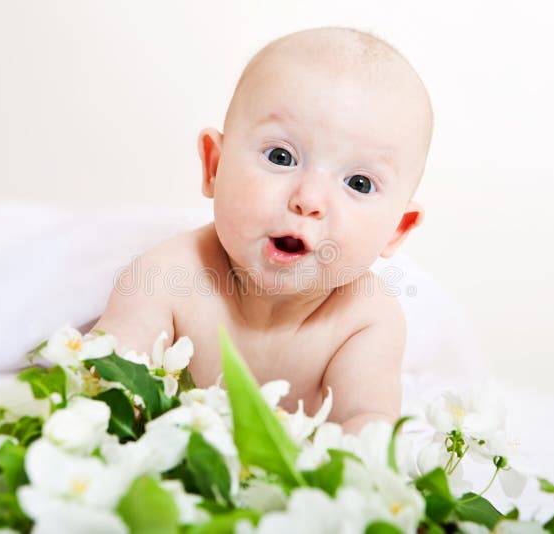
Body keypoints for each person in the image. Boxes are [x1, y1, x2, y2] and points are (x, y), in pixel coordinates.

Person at [93, 26, 433, 435]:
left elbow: (369, 432)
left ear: (397, 230)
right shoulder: (164, 278)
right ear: (214, 167)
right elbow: (102, 385)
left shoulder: (365, 321)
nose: (309, 200)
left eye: (358, 183)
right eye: (281, 156)